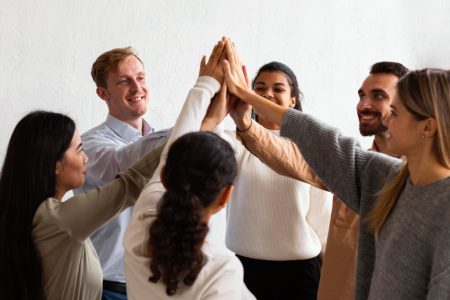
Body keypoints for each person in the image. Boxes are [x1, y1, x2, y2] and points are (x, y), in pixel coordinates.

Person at [224, 51, 450, 298]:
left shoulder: (442, 207)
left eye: (395, 113)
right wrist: (244, 103)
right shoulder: (381, 175)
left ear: (427, 126)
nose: (365, 106)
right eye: (362, 96)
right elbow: (321, 141)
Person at [124, 38, 255, 299]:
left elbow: (174, 151)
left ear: (164, 176)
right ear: (225, 196)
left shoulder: (141, 226)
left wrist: (206, 91)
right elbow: (175, 152)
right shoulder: (220, 270)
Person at [0, 110, 164, 300]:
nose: (86, 159)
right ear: (55, 164)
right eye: (80, 150)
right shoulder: (59, 220)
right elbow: (130, 183)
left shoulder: (32, 216)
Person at [216, 53, 332, 299]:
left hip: (299, 274)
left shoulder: (308, 147)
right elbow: (204, 139)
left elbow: (322, 219)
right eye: (259, 88)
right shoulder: (233, 141)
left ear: (292, 100)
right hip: (244, 271)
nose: (267, 93)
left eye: (277, 88)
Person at [74, 47, 168, 299]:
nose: (137, 88)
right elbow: (128, 163)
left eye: (140, 77)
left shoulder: (159, 139)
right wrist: (198, 112)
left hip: (159, 286)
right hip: (111, 289)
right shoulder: (90, 145)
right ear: (103, 93)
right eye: (124, 81)